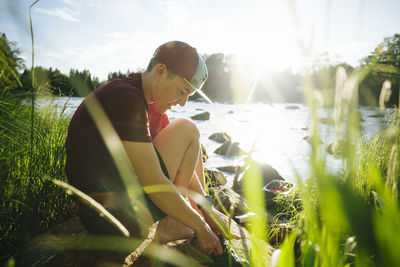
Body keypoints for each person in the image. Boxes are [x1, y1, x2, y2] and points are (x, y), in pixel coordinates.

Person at [65, 41, 230, 256]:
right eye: (182, 91)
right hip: (109, 217)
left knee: (191, 140)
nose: (182, 103)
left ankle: (176, 221)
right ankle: (173, 223)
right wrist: (201, 225)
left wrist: (207, 209)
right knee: (187, 129)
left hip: (113, 211)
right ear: (161, 71)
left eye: (188, 95)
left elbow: (183, 159)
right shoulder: (126, 98)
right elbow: (153, 181)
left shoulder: (147, 102)